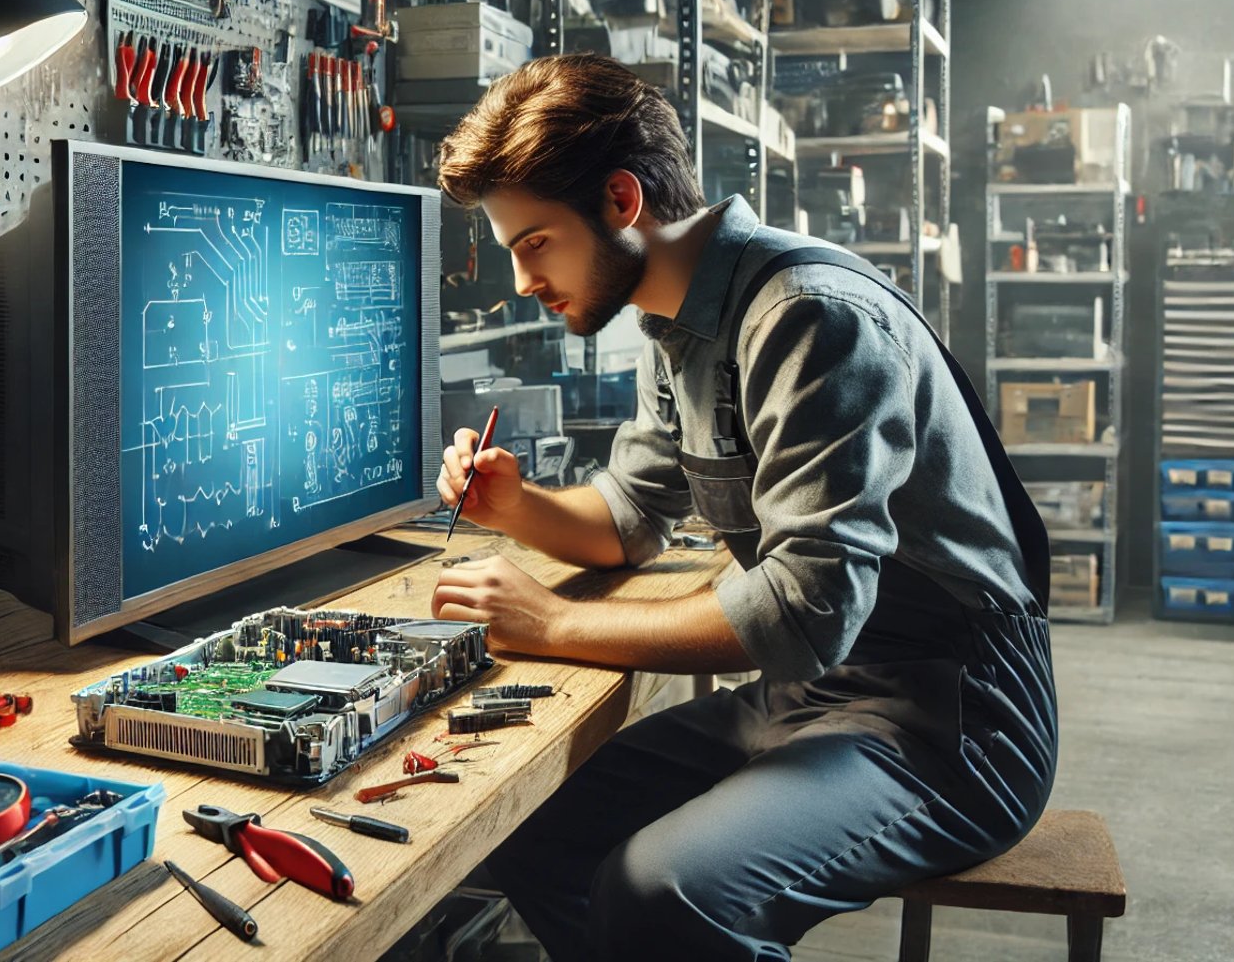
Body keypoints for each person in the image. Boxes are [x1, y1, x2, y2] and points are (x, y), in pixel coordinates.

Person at [427, 54, 1057, 962]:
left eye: (533, 243)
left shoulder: (811, 319)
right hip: (811, 694)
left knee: (665, 891)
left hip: (952, 721)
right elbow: (625, 518)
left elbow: (806, 608)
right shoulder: (675, 323)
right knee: (534, 828)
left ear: (620, 201)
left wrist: (551, 621)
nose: (523, 280)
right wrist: (516, 506)